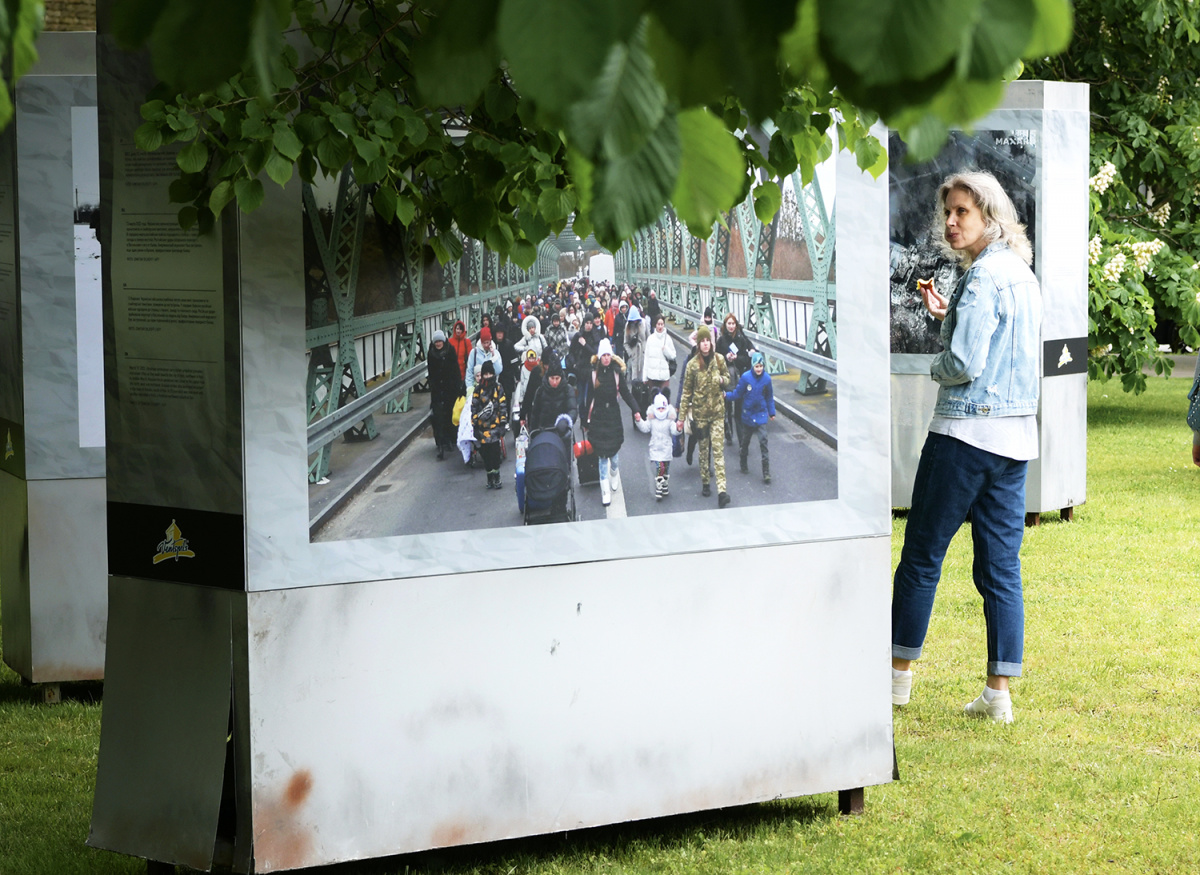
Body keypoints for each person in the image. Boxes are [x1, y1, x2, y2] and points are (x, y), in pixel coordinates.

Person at [891, 170, 1042, 725]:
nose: (951, 222)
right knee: (1001, 568)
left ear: (990, 217)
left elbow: (962, 363)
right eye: (948, 212)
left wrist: (935, 363)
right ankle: (998, 694)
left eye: (962, 212)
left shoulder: (980, 280)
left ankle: (895, 680)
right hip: (1014, 441)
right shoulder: (1021, 275)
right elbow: (999, 349)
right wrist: (947, 316)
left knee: (921, 557)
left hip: (963, 437)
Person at [677, 324, 731, 507]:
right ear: (698, 344)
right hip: (700, 415)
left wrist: (722, 380)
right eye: (703, 341)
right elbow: (686, 392)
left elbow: (728, 378)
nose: (706, 344)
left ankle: (722, 491)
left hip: (717, 413)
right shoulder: (692, 365)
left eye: (708, 340)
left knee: (718, 451)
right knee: (703, 450)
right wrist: (681, 418)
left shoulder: (719, 360)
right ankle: (706, 481)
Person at [587, 338, 640, 507]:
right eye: (603, 355)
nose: (606, 358)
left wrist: (636, 409)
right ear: (599, 356)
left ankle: (614, 471)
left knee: (614, 455)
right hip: (599, 417)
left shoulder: (617, 373)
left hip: (613, 417)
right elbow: (588, 398)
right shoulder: (593, 374)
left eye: (608, 355)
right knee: (602, 456)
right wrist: (585, 420)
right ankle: (605, 491)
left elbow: (626, 393)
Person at [726, 350, 775, 482]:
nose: (759, 369)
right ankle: (743, 462)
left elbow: (769, 397)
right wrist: (726, 396)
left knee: (763, 441)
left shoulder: (767, 379)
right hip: (748, 414)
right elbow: (737, 393)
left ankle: (766, 471)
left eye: (761, 366)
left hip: (761, 413)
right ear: (753, 366)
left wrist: (771, 412)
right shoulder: (746, 378)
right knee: (745, 441)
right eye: (756, 366)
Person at [716, 313, 755, 446]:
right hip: (726, 379)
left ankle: (741, 441)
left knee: (739, 410)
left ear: (736, 325)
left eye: (733, 324)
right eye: (729, 324)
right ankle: (728, 432)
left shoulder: (741, 339)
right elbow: (717, 359)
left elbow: (747, 359)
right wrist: (726, 358)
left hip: (739, 379)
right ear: (725, 325)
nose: (731, 326)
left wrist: (736, 358)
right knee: (727, 408)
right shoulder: (721, 341)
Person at [427, 329, 464, 461]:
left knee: (450, 414)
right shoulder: (431, 353)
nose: (438, 344)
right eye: (436, 342)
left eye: (440, 341)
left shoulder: (450, 350)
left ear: (443, 341)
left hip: (450, 388)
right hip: (437, 390)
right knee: (438, 416)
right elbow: (431, 372)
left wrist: (458, 387)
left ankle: (450, 440)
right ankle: (441, 443)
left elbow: (455, 369)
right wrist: (433, 385)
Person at [471, 359, 508, 489]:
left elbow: (502, 406)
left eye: (490, 374)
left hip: (495, 427)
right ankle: (489, 476)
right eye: (485, 374)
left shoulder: (498, 388)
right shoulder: (478, 390)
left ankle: (496, 476)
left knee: (495, 453)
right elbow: (474, 408)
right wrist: (474, 425)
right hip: (483, 428)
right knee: (486, 455)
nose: (488, 377)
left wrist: (503, 423)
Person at [636, 392, 677, 500]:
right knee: (660, 467)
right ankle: (659, 485)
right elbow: (645, 428)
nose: (661, 411)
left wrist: (678, 428)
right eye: (659, 408)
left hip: (666, 448)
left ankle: (665, 485)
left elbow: (674, 430)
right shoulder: (652, 419)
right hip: (655, 448)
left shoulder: (669, 419)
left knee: (666, 468)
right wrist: (639, 421)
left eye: (663, 408)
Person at [643, 312, 677, 400]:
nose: (660, 326)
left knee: (665, 400)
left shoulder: (668, 339)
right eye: (658, 324)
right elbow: (646, 358)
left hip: (664, 376)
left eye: (662, 324)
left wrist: (666, 350)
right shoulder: (650, 339)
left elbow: (673, 356)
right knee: (653, 400)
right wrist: (645, 376)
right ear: (655, 325)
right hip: (652, 376)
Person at [464, 326, 503, 398]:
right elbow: (469, 371)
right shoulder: (474, 352)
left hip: (491, 389)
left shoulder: (496, 352)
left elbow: (498, 371)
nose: (485, 345)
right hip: (477, 389)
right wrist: (469, 388)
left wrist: (493, 355)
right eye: (484, 343)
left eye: (487, 342)